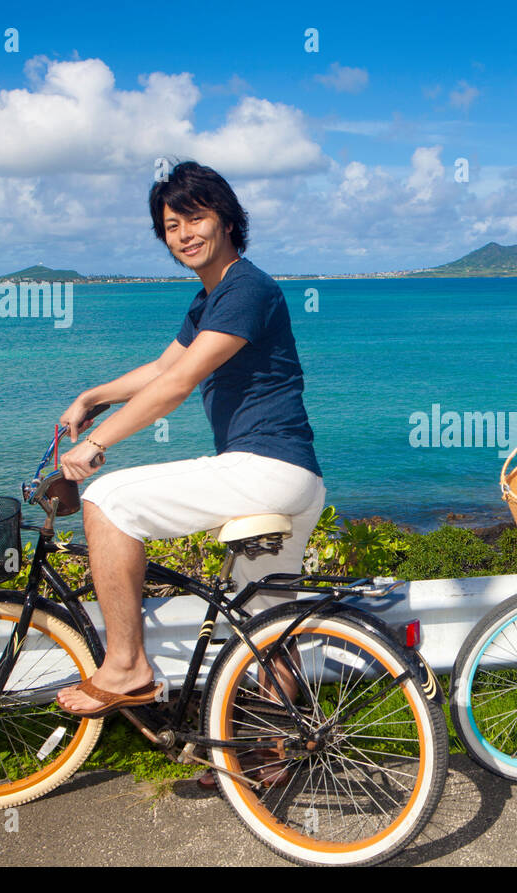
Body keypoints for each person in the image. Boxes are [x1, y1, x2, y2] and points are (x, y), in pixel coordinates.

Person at [55, 160, 326, 719]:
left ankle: (127, 665)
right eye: (171, 227)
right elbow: (162, 366)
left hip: (263, 468)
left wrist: (96, 443)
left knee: (108, 500)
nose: (184, 235)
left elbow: (179, 383)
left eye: (195, 218)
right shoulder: (213, 299)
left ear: (226, 219)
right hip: (296, 480)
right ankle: (274, 744)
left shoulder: (247, 288)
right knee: (267, 629)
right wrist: (93, 396)